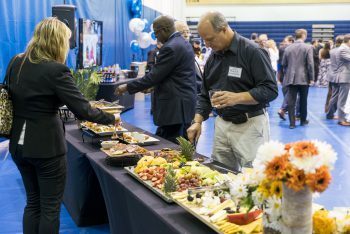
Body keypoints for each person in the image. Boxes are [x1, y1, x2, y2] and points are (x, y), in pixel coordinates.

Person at [6, 18, 120, 234]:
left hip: (18, 143)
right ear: (58, 41)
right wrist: (111, 118)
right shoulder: (56, 70)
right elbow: (83, 109)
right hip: (46, 146)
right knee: (50, 209)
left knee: (33, 203)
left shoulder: (15, 62)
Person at [187, 11, 278, 171]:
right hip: (222, 125)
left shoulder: (252, 52)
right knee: (220, 173)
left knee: (255, 177)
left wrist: (237, 98)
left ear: (223, 29)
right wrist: (197, 121)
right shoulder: (213, 58)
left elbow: (270, 90)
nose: (206, 44)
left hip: (250, 126)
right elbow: (204, 95)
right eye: (203, 39)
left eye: (210, 39)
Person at [116, 15, 197, 143]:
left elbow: (154, 76)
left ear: (163, 30)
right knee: (179, 144)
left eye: (156, 33)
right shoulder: (183, 43)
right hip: (183, 106)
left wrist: (126, 87)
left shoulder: (170, 47)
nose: (156, 38)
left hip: (174, 108)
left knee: (170, 146)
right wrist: (153, 86)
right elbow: (173, 75)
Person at [282, 29, 314, 129]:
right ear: (303, 35)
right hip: (304, 78)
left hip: (291, 78)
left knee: (291, 102)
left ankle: (292, 123)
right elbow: (310, 64)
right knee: (303, 100)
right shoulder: (308, 47)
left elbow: (284, 64)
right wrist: (312, 78)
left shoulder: (288, 48)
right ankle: (303, 121)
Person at [326, 34, 350, 126]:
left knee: (334, 97)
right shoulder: (344, 49)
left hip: (335, 75)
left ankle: (330, 114)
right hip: (343, 77)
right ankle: (341, 119)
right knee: (342, 99)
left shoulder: (334, 50)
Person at [325, 35, 344, 113]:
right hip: (338, 75)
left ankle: (328, 110)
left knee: (331, 94)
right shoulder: (342, 51)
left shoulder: (332, 50)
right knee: (335, 96)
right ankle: (330, 112)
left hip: (331, 74)